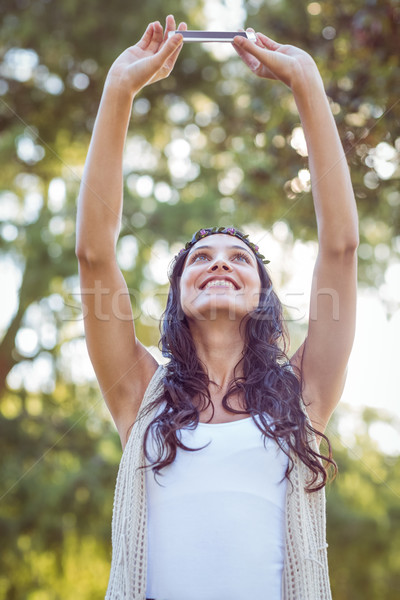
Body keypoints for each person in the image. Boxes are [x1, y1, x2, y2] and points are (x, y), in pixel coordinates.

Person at [76, 14, 358, 600]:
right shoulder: (140, 393)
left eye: (240, 258)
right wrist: (119, 91)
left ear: (262, 298)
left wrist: (305, 79)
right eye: (201, 258)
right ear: (179, 296)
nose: (221, 263)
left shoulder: (302, 394)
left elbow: (340, 247)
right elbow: (94, 255)